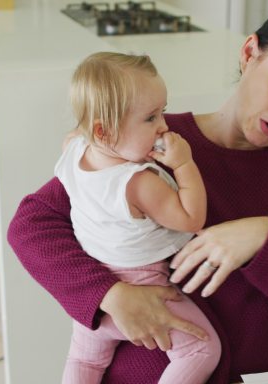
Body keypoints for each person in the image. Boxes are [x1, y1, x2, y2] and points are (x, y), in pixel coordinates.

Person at [8, 5, 268, 383]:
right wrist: (109, 294)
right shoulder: (153, 143)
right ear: (249, 54)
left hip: (263, 374)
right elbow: (31, 225)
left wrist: (264, 238)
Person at [53, 52, 220, 384]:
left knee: (84, 361)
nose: (163, 126)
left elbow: (77, 135)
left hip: (96, 298)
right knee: (201, 349)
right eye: (150, 118)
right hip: (145, 289)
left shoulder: (73, 149)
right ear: (103, 132)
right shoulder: (140, 183)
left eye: (163, 111)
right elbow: (191, 219)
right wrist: (184, 164)